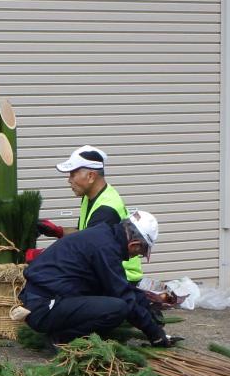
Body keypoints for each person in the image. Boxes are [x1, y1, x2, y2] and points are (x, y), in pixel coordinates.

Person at [19, 210, 179, 347]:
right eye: (140, 253)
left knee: (114, 302)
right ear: (134, 244)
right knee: (118, 309)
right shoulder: (106, 249)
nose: (136, 256)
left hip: (41, 300)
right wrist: (154, 334)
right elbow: (124, 297)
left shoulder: (104, 236)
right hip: (44, 308)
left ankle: (63, 334)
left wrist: (147, 309)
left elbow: (120, 287)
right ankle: (62, 339)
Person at [35, 145, 143, 283]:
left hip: (120, 277)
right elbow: (83, 234)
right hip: (103, 271)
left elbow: (85, 252)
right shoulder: (90, 196)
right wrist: (58, 231)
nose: (69, 180)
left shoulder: (106, 210)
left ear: (91, 176)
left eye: (73, 174)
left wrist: (44, 256)